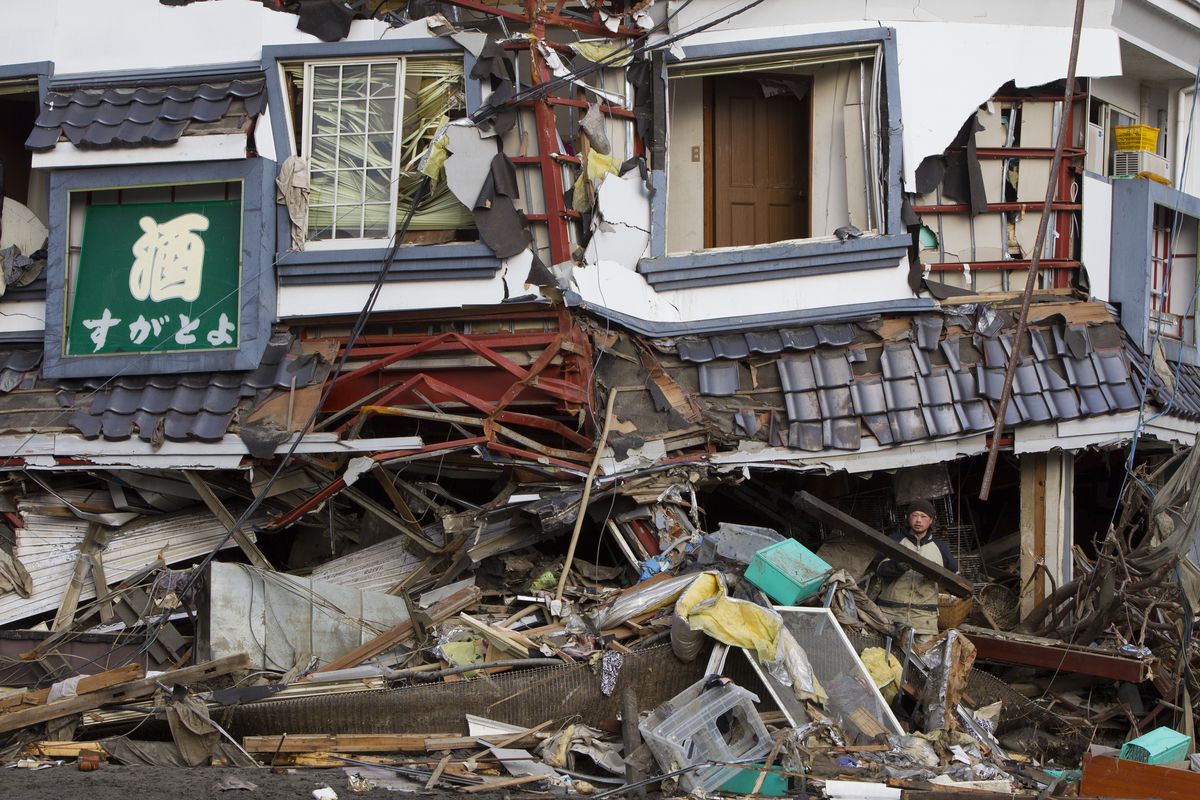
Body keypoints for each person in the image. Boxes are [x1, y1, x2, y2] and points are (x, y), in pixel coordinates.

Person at [874, 499, 959, 639]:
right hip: (891, 616)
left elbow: (954, 579)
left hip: (924, 620)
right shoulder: (895, 541)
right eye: (915, 515)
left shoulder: (940, 547)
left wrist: (936, 576)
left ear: (931, 520)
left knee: (921, 659)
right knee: (886, 658)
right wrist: (896, 566)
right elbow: (878, 570)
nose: (918, 520)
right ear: (908, 518)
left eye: (923, 516)